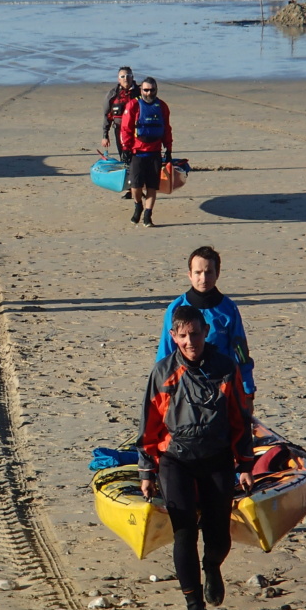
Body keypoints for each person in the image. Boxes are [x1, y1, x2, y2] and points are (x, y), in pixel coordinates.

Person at [137, 305, 254, 610]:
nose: (191, 342)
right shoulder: (163, 372)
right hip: (175, 461)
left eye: (196, 334)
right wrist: (146, 471)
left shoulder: (225, 367)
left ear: (205, 333)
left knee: (218, 534)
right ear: (173, 337)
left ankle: (212, 567)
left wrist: (245, 464)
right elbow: (149, 426)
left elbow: (239, 421)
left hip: (216, 458)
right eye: (184, 336)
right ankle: (194, 607)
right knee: (184, 531)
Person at [157, 246, 256, 411]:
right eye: (198, 272)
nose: (203, 278)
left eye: (209, 272)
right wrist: (162, 392)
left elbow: (241, 354)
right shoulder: (175, 308)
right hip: (185, 389)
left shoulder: (228, 309)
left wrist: (248, 391)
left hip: (222, 387)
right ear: (189, 275)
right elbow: (165, 355)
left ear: (217, 274)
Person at [120, 77, 173, 228]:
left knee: (152, 186)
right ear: (141, 90)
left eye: (152, 90)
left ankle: (148, 215)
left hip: (155, 153)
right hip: (138, 153)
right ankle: (138, 206)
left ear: (156, 90)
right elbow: (126, 129)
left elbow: (167, 129)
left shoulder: (162, 106)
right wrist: (126, 148)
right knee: (135, 186)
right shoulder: (133, 105)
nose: (149, 93)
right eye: (146, 90)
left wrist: (168, 149)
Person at [101, 66, 140, 162]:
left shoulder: (141, 92)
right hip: (120, 131)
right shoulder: (112, 95)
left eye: (128, 76)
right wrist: (105, 136)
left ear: (132, 77)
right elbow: (107, 116)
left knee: (138, 158)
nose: (125, 79)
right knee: (124, 157)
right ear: (118, 79)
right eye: (122, 76)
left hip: (138, 131)